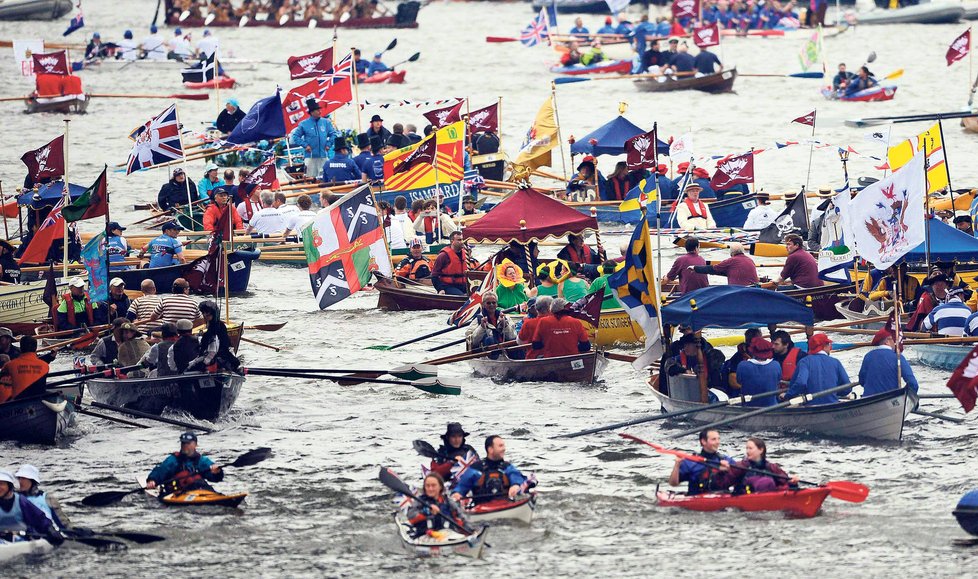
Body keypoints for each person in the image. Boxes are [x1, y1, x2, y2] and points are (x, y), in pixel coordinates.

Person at [451, 436, 528, 504]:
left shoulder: (507, 467)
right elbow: (462, 486)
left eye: (504, 446)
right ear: (490, 449)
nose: (504, 449)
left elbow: (516, 476)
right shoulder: (475, 468)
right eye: (500, 446)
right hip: (481, 508)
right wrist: (457, 494)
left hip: (505, 504)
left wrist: (516, 485)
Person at [146, 432, 224, 494]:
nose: (185, 446)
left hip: (199, 491)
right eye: (183, 443)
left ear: (195, 445)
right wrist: (152, 480)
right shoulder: (173, 460)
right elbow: (160, 471)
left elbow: (216, 478)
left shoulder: (202, 461)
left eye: (188, 443)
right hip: (178, 493)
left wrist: (217, 472)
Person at [785, 333, 851, 404]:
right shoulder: (836, 362)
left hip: (810, 407)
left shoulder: (804, 362)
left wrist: (788, 395)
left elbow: (801, 383)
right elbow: (847, 387)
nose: (830, 347)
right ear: (825, 346)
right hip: (832, 404)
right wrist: (832, 394)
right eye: (829, 344)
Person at [718, 438, 799, 494]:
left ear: (761, 450)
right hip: (745, 499)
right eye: (747, 448)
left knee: (768, 482)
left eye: (750, 448)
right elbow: (722, 484)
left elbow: (785, 483)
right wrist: (722, 472)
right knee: (765, 482)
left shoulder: (772, 467)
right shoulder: (740, 466)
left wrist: (793, 483)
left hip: (767, 499)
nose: (747, 451)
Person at [0, 470, 64, 541]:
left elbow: (39, 519)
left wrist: (50, 529)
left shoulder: (21, 501)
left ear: (9, 486)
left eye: (1, 484)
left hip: (22, 539)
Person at [668, 429, 734, 495]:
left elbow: (740, 480)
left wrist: (729, 470)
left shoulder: (727, 460)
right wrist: (677, 464)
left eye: (718, 439)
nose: (718, 442)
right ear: (703, 441)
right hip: (696, 500)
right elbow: (673, 484)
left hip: (722, 499)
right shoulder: (690, 462)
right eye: (714, 439)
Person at [858, 328, 918, 396]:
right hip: (892, 399)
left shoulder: (868, 356)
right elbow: (913, 383)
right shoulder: (898, 357)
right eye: (895, 339)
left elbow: (862, 381)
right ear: (887, 341)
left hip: (868, 400)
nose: (896, 342)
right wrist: (909, 397)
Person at [405, 472, 467, 538]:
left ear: (440, 486)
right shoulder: (419, 501)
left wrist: (470, 531)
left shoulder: (448, 501)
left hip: (448, 535)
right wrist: (427, 511)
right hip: (425, 536)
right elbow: (411, 517)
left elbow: (462, 519)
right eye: (427, 486)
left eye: (433, 485)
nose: (430, 489)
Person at [289, 98, 338, 179]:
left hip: (324, 156)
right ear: (312, 112)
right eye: (317, 110)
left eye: (320, 109)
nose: (320, 112)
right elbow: (295, 136)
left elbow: (333, 134)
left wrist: (329, 144)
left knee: (326, 177)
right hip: (310, 157)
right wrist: (305, 145)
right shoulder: (303, 124)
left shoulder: (326, 122)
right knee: (310, 178)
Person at [189, 300, 240, 373]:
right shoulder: (214, 326)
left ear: (214, 314)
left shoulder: (215, 328)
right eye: (203, 313)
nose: (205, 316)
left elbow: (213, 350)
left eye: (208, 314)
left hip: (219, 358)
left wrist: (204, 362)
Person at [735, 338, 782, 406]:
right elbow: (778, 381)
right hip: (771, 406)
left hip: (748, 406)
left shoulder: (742, 365)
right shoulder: (776, 365)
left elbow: (739, 381)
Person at [0, 337, 48, 403]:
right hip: (38, 400)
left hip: (16, 402)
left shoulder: (9, 365)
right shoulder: (45, 366)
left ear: (21, 348)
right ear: (35, 348)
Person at [690, 243, 758, 286]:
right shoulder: (750, 260)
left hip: (739, 291)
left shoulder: (731, 260)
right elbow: (725, 272)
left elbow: (713, 269)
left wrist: (695, 268)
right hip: (753, 288)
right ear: (743, 251)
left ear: (731, 253)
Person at [431, 231, 470, 295]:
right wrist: (440, 289)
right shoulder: (443, 255)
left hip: (463, 284)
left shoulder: (466, 254)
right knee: (461, 296)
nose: (462, 242)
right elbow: (434, 275)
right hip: (448, 285)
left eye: (462, 239)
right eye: (459, 240)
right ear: (452, 241)